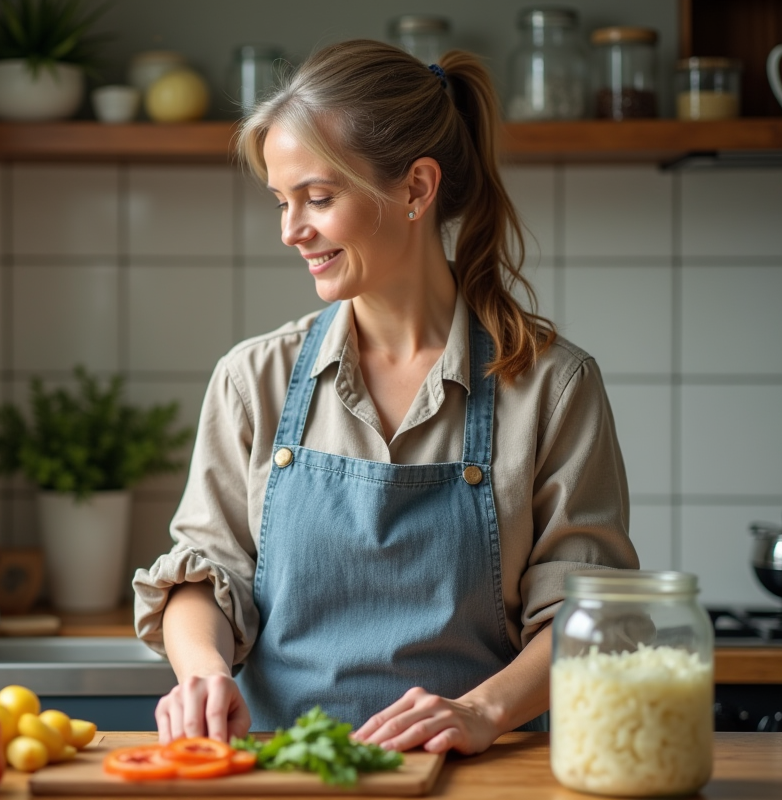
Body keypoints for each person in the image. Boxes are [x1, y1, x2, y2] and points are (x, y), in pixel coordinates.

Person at [132, 40, 638, 757]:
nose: (291, 230)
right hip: (285, 770)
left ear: (415, 189)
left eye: (319, 197)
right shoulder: (254, 378)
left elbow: (588, 616)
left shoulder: (551, 387)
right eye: (282, 201)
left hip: (471, 774)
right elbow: (205, 574)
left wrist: (483, 713)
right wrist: (205, 672)